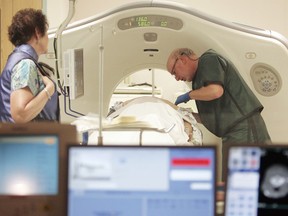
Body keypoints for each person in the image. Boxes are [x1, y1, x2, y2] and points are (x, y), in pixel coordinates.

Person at [166, 48, 271, 178]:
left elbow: (216, 91)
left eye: (174, 72)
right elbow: (210, 118)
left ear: (182, 59)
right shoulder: (199, 81)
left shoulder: (208, 59)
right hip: (232, 133)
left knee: (242, 181)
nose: (176, 78)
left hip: (244, 129)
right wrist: (184, 114)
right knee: (232, 180)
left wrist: (189, 95)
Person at [0, 8, 59, 123]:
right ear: (37, 33)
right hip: (22, 140)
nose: (47, 37)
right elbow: (20, 115)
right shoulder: (25, 64)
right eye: (46, 32)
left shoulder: (18, 59)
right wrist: (49, 90)